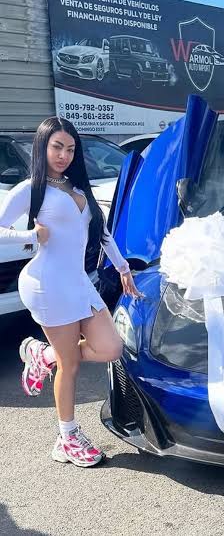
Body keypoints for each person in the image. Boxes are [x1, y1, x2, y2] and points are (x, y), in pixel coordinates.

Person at [0, 117, 141, 467]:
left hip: (78, 281)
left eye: (70, 148)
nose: (63, 155)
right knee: (70, 364)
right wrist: (30, 237)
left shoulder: (77, 187)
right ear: (43, 147)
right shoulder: (31, 188)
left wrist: (123, 269)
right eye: (57, 147)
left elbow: (102, 233)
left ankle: (42, 355)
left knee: (110, 347)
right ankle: (67, 438)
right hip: (46, 284)